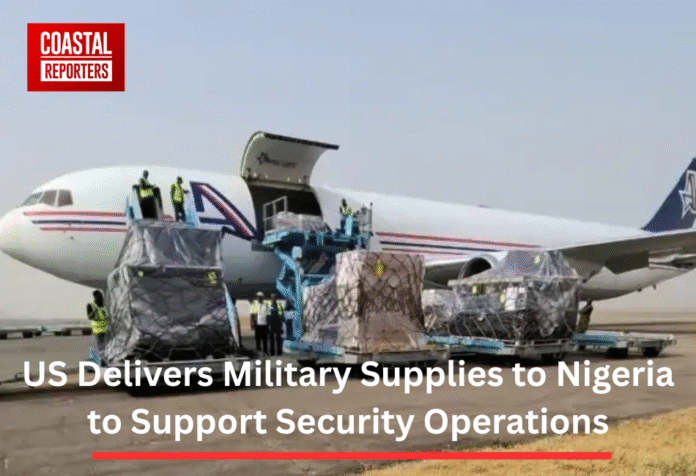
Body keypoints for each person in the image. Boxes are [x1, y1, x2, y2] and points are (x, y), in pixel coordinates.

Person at [86, 290, 108, 359]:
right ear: (94, 298)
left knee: (106, 348)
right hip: (98, 331)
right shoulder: (91, 305)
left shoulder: (105, 306)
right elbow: (90, 317)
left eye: (101, 297)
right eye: (98, 297)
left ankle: (103, 360)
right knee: (100, 347)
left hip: (106, 330)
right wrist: (95, 310)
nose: (100, 298)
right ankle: (101, 361)